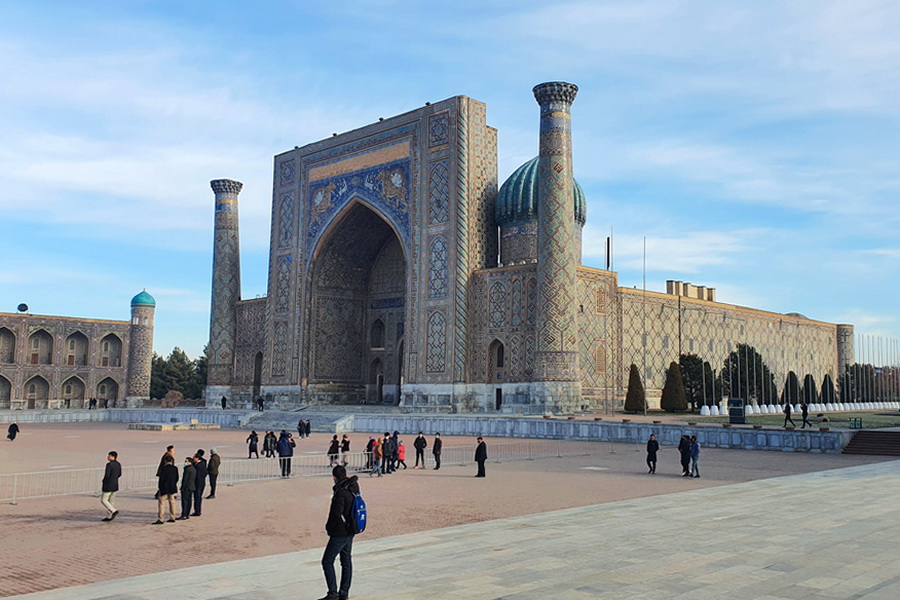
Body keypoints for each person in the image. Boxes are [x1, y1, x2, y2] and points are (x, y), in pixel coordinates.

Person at [318, 465, 360, 600]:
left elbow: (336, 513)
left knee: (327, 561)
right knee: (346, 560)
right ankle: (344, 592)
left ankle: (333, 594)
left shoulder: (341, 492)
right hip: (351, 529)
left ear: (335, 478)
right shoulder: (353, 487)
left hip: (341, 532)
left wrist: (329, 527)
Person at [154, 455, 178, 524]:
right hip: (172, 487)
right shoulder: (175, 468)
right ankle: (172, 517)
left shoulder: (164, 469)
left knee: (161, 503)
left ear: (165, 461)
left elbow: (161, 479)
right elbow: (176, 478)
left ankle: (161, 518)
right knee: (172, 502)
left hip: (164, 488)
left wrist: (160, 488)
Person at [101, 451, 121, 521]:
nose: (108, 457)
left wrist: (104, 481)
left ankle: (113, 510)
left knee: (104, 500)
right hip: (115, 484)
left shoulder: (109, 465)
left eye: (109, 456)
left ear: (112, 457)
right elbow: (119, 474)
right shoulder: (118, 464)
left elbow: (107, 475)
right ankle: (109, 516)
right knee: (111, 500)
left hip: (108, 485)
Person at [192, 450, 208, 516]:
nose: (193, 459)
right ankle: (197, 510)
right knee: (198, 497)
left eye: (194, 458)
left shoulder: (198, 466)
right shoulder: (203, 463)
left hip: (198, 484)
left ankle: (197, 511)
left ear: (197, 458)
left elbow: (197, 476)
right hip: (202, 483)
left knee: (197, 498)